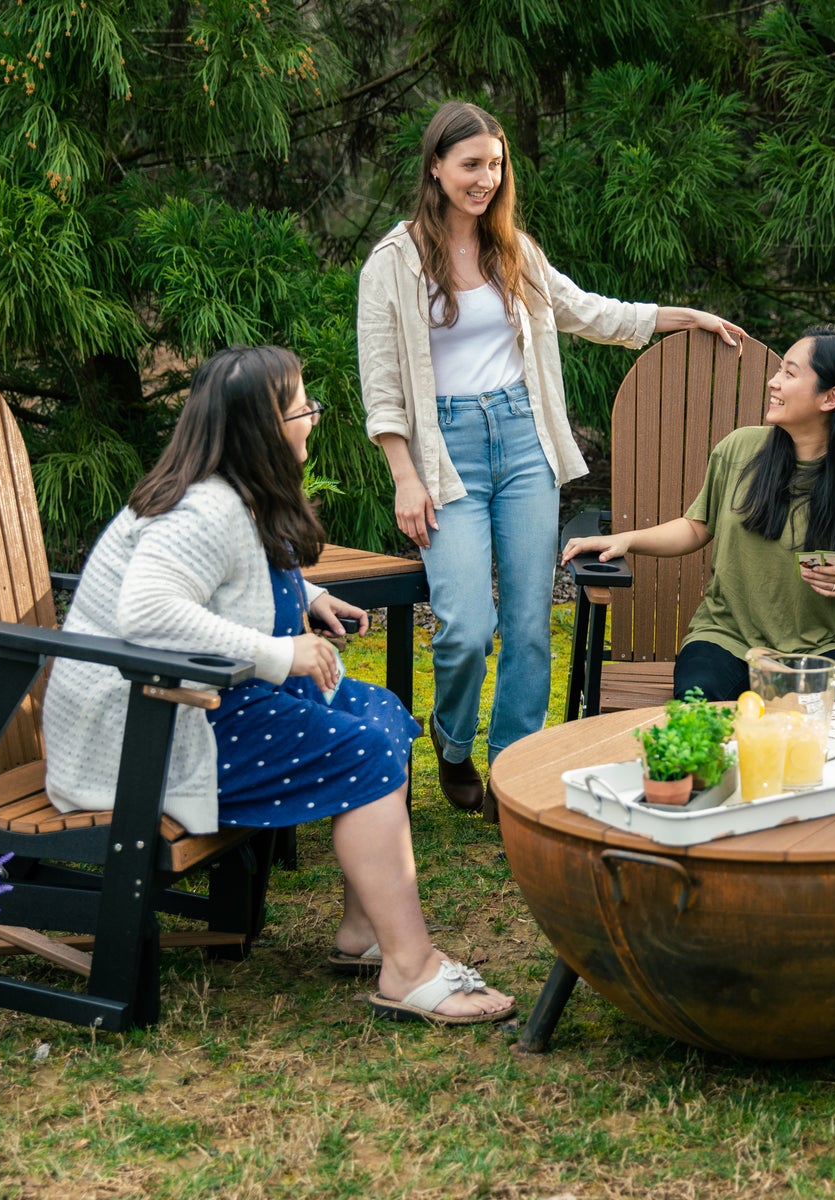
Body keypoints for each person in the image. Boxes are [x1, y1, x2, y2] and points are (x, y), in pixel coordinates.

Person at [42, 345, 514, 1025]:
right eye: (302, 409)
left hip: (197, 698)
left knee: (381, 714)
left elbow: (228, 578)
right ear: (262, 429)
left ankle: (363, 934)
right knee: (367, 754)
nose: (312, 420)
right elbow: (145, 611)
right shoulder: (203, 508)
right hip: (151, 732)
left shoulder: (230, 489)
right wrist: (276, 650)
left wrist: (307, 596)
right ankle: (408, 969)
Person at [356, 100, 746, 817]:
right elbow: (381, 385)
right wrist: (404, 476)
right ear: (436, 166)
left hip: (524, 443)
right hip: (446, 456)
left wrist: (678, 315)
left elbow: (590, 312)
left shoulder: (515, 251)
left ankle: (512, 768)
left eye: (495, 164)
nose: (485, 178)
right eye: (471, 164)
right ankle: (450, 743)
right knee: (467, 626)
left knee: (531, 625)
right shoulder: (393, 262)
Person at [559, 328, 835, 706]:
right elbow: (697, 526)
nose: (773, 382)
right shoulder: (740, 450)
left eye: (789, 374)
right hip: (725, 638)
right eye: (778, 370)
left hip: (819, 647)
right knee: (699, 705)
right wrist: (627, 539)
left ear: (830, 397)